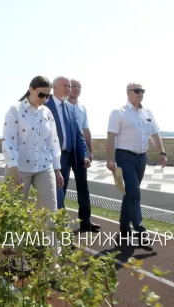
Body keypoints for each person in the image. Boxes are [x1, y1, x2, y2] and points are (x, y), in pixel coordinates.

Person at [2, 75, 64, 266]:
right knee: (16, 213)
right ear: (31, 89)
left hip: (44, 167)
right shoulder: (15, 110)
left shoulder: (47, 113)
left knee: (50, 213)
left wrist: (57, 168)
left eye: (48, 95)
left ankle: (54, 262)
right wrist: (13, 167)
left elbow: (53, 141)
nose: (44, 99)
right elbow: (8, 140)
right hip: (19, 168)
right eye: (41, 94)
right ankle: (16, 257)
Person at [106, 82, 167, 246]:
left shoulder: (147, 112)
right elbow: (111, 137)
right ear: (128, 93)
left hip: (141, 157)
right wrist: (110, 159)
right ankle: (140, 230)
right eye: (137, 91)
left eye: (142, 91)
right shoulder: (118, 113)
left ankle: (124, 227)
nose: (140, 93)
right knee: (134, 192)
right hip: (124, 156)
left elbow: (154, 134)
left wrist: (162, 152)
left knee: (131, 193)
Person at [45, 76, 96, 232]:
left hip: (73, 155)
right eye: (66, 86)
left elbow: (79, 134)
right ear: (54, 88)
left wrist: (86, 154)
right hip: (55, 158)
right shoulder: (46, 106)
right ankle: (61, 229)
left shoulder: (70, 108)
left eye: (70, 86)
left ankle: (83, 223)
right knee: (60, 191)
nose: (69, 88)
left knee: (82, 188)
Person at [63, 78, 99, 232]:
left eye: (79, 86)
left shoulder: (83, 108)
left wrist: (89, 151)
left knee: (83, 188)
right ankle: (60, 225)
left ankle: (86, 221)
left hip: (80, 153)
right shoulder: (61, 106)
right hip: (64, 152)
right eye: (73, 86)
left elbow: (86, 130)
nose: (76, 89)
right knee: (60, 188)